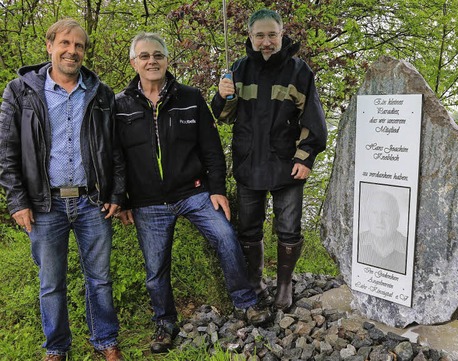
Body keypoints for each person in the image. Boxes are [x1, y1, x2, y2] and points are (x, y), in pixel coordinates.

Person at [114, 32, 270, 354]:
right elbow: (116, 157)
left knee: (226, 236)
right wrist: (123, 199)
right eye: (144, 56)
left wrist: (218, 190)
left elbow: (212, 149)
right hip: (148, 203)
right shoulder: (119, 105)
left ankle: (245, 302)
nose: (152, 61)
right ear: (134, 63)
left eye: (158, 55)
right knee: (155, 268)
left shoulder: (190, 97)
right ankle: (165, 322)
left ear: (167, 60)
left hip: (194, 193)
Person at [0, 19, 125, 361]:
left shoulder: (101, 93)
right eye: (66, 44)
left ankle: (105, 341)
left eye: (79, 46)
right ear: (50, 45)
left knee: (99, 278)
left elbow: (114, 149)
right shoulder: (20, 91)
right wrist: (17, 201)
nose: (72, 51)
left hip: (91, 200)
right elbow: (7, 150)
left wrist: (117, 194)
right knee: (51, 283)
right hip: (44, 204)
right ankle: (56, 348)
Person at [211, 9, 328, 311]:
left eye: (271, 34)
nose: (266, 41)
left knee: (288, 228)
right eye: (259, 35)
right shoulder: (237, 68)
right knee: (249, 228)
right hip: (248, 162)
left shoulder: (298, 71)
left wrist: (306, 157)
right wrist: (222, 95)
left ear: (281, 33)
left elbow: (313, 120)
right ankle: (255, 282)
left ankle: (285, 285)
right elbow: (223, 117)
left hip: (287, 164)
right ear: (250, 36)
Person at [357, 190, 408, 274]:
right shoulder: (356, 241)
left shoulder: (408, 247)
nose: (379, 220)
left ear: (397, 219)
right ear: (367, 217)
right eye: (374, 213)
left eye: (386, 214)